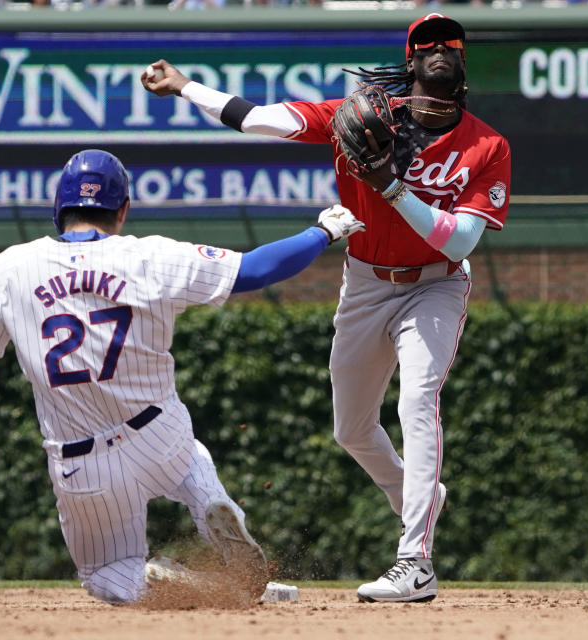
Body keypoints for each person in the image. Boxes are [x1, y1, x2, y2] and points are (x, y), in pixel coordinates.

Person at [142, 13, 511, 603]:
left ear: (463, 64)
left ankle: (415, 561)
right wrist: (186, 87)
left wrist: (392, 186)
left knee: (418, 398)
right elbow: (256, 119)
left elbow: (460, 242)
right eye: (428, 44)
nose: (441, 50)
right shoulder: (355, 118)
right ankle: (420, 493)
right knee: (352, 429)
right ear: (410, 62)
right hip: (366, 281)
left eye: (452, 44)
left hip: (436, 284)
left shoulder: (487, 145)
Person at [0, 149, 364, 606]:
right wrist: (323, 232)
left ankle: (180, 582)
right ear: (122, 209)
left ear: (57, 208)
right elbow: (255, 269)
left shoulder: (9, 268)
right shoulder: (150, 256)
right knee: (191, 452)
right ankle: (210, 503)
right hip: (159, 434)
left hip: (84, 465)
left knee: (105, 573)